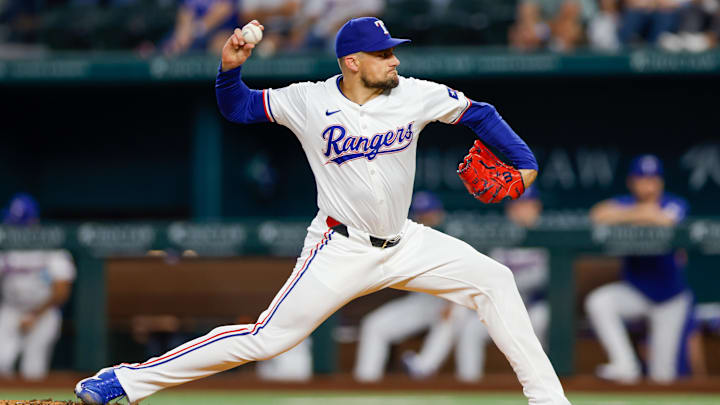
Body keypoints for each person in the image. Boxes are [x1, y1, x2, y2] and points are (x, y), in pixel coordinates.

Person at [75, 17, 571, 405]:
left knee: (496, 281)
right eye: (382, 53)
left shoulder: (414, 93)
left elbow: (479, 112)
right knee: (266, 339)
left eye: (393, 51)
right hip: (341, 246)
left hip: (408, 241)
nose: (393, 60)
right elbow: (239, 108)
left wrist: (524, 164)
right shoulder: (308, 101)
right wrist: (230, 68)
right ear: (351, 62)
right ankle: (123, 380)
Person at [401, 187, 550, 383]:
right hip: (502, 303)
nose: (519, 210)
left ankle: (542, 379)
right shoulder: (502, 235)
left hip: (535, 303)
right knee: (470, 327)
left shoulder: (548, 232)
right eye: (515, 206)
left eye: (525, 205)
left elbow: (547, 278)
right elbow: (488, 274)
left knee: (539, 320)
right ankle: (470, 384)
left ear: (536, 207)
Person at [585, 154, 692, 384]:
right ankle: (625, 365)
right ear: (632, 182)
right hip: (636, 291)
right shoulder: (627, 203)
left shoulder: (675, 203)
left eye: (653, 179)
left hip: (669, 297)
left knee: (662, 376)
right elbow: (597, 214)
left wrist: (630, 216)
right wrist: (638, 213)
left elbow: (666, 220)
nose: (648, 185)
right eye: (642, 179)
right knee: (600, 302)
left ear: (661, 182)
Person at [352, 191, 451, 382]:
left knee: (454, 315)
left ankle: (424, 368)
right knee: (374, 325)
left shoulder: (453, 236)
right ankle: (365, 385)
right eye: (421, 215)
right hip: (423, 301)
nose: (426, 219)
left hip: (456, 301)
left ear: (440, 214)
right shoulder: (407, 238)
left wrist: (452, 302)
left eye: (430, 214)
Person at [0, 193, 76, 380]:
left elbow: (61, 289)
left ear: (33, 222)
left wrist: (34, 315)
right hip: (12, 309)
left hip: (44, 311)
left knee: (33, 368)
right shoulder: (6, 245)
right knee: (2, 361)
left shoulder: (51, 247)